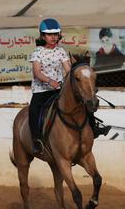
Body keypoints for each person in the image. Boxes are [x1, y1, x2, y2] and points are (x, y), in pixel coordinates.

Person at [29, 19, 111, 155]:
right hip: (41, 91)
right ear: (43, 36)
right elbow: (37, 72)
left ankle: (94, 128)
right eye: (50, 35)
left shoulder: (61, 51)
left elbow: (68, 70)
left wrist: (78, 82)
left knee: (83, 103)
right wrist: (50, 81)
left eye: (56, 34)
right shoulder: (37, 52)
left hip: (59, 90)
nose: (53, 37)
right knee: (33, 111)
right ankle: (36, 140)